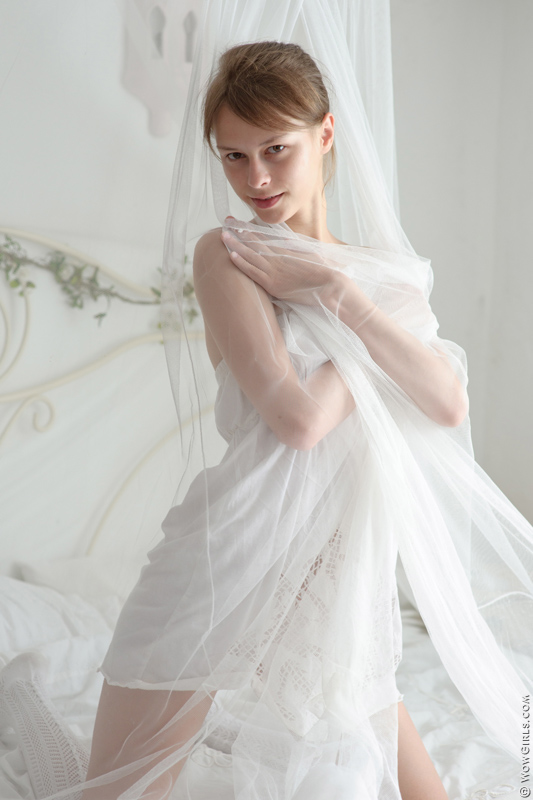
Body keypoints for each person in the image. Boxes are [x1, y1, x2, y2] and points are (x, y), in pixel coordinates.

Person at [0, 13, 531, 800]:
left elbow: (447, 403)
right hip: (228, 558)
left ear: (325, 134)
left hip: (331, 577)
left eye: (275, 148)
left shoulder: (373, 277)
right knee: (116, 788)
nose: (255, 178)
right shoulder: (231, 255)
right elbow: (297, 420)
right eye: (233, 156)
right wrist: (374, 339)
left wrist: (338, 294)